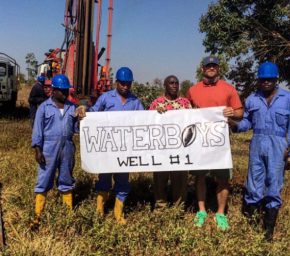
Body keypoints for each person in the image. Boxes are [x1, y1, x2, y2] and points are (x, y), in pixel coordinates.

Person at [229, 61, 290, 241]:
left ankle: (268, 232)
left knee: (274, 185)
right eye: (263, 79)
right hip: (257, 144)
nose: (266, 82)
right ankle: (252, 226)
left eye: (270, 79)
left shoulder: (289, 99)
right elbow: (247, 123)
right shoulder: (252, 99)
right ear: (258, 80)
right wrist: (234, 125)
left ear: (276, 79)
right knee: (253, 184)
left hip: (278, 146)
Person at [77, 67, 144, 224]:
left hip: (125, 149)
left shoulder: (135, 102)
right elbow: (92, 113)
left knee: (123, 181)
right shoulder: (106, 98)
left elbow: (144, 120)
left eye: (128, 84)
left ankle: (118, 213)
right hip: (107, 149)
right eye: (122, 84)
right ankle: (100, 211)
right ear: (116, 83)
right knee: (104, 179)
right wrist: (84, 108)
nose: (125, 86)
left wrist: (158, 113)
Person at [187, 56, 243, 230]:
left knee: (223, 179)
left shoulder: (229, 89)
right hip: (199, 141)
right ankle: (202, 211)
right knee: (200, 177)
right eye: (208, 66)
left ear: (218, 69)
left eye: (214, 66)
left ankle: (220, 213)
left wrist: (231, 112)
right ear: (202, 69)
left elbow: (240, 114)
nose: (211, 68)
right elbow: (185, 111)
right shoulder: (193, 90)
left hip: (221, 143)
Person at [31, 74, 79, 230]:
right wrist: (38, 150)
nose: (64, 93)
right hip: (48, 149)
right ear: (53, 90)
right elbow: (37, 130)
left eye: (66, 90)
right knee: (44, 180)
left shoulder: (72, 107)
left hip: (67, 147)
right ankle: (37, 217)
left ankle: (68, 215)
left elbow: (77, 129)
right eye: (61, 91)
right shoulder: (44, 108)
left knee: (66, 179)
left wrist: (82, 118)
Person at [149, 75, 192, 209]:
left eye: (176, 83)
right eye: (171, 83)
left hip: (180, 149)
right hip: (161, 149)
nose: (174, 85)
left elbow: (192, 122)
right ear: (165, 85)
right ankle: (161, 207)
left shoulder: (185, 104)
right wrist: (156, 115)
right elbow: (148, 123)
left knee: (180, 179)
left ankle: (178, 208)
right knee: (160, 179)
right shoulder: (157, 103)